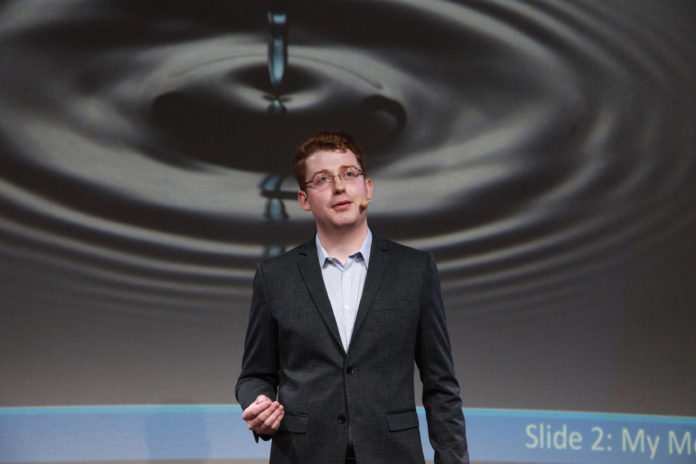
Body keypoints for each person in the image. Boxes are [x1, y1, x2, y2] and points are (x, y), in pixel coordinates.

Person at [235, 130, 469, 464]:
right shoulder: (276, 277)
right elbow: (255, 375)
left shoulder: (415, 270)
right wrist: (257, 402)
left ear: (367, 188)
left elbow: (441, 385)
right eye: (322, 179)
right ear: (304, 199)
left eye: (349, 173)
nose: (339, 186)